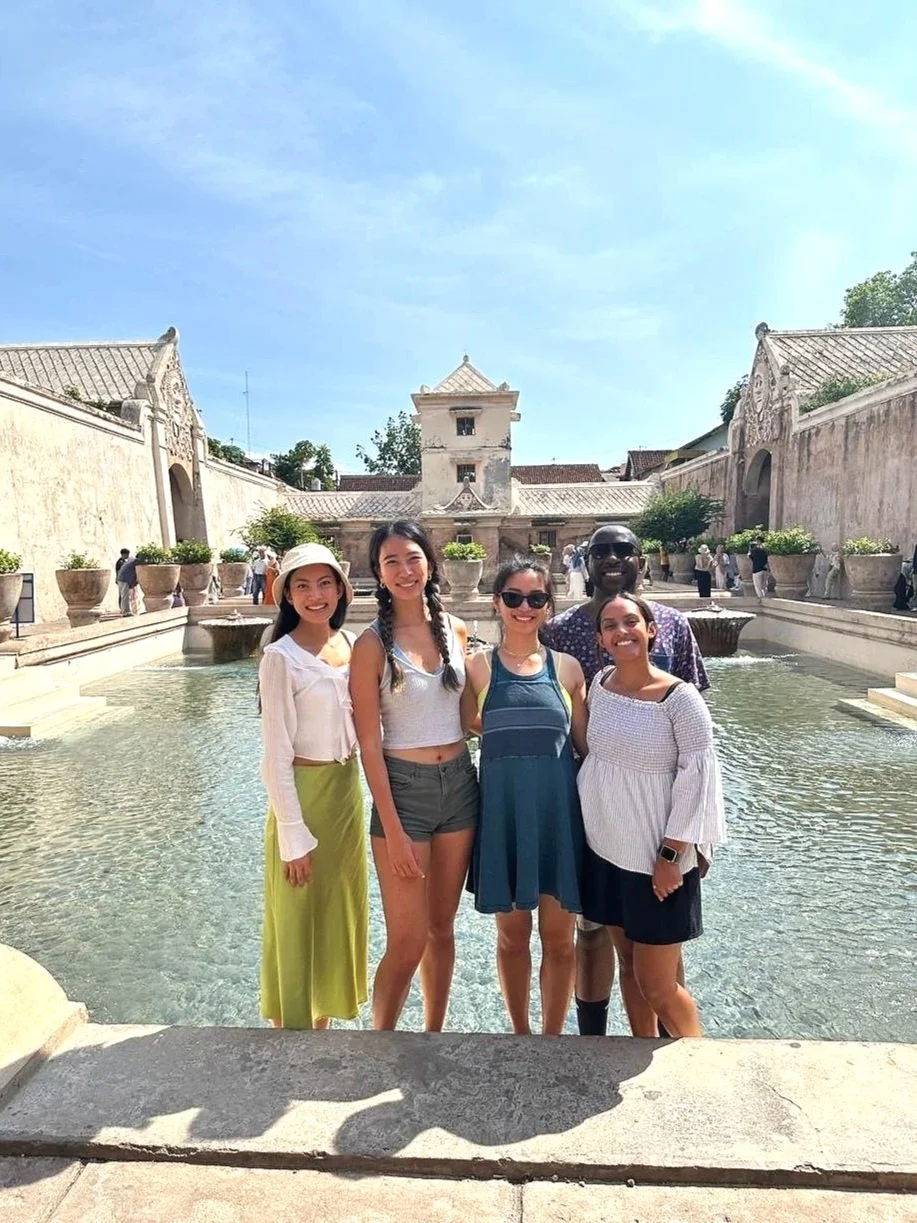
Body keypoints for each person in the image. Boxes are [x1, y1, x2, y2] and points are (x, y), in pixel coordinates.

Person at [540, 523, 708, 1038]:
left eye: (623, 551)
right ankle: (599, 1038)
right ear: (586, 563)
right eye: (601, 552)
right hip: (597, 822)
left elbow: (697, 747)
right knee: (597, 936)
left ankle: (672, 1044)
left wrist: (689, 839)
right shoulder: (561, 630)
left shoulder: (676, 625)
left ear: (641, 559)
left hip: (657, 822)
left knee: (659, 953)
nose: (612, 560)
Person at [577, 592, 726, 1037]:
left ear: (651, 629)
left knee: (659, 984)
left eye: (630, 622)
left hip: (657, 861)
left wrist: (669, 857)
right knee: (629, 968)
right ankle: (642, 1053)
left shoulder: (680, 699)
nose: (621, 632)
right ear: (601, 638)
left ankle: (701, 1063)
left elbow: (698, 783)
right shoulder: (600, 685)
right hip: (605, 851)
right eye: (610, 625)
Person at [350, 520, 479, 1032]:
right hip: (404, 792)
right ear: (378, 575)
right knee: (407, 941)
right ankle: (382, 1040)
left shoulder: (456, 629)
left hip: (461, 787)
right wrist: (393, 829)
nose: (405, 571)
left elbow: (469, 716)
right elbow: (368, 742)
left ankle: (432, 1035)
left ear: (430, 562)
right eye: (391, 562)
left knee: (442, 930)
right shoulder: (371, 644)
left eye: (413, 558)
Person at [465, 558, 587, 1035]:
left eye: (535, 599)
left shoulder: (568, 669)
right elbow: (464, 728)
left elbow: (586, 747)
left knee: (560, 941)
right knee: (512, 939)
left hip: (559, 821)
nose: (524, 607)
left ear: (548, 605)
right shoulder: (478, 669)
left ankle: (552, 1036)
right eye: (513, 597)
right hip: (505, 820)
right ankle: (520, 1034)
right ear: (497, 604)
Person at [259, 542, 367, 1030]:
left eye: (324, 583)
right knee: (297, 914)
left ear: (341, 589)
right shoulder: (279, 658)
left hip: (346, 795)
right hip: (303, 797)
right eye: (302, 585)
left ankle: (322, 1023)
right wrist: (292, 833)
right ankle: (291, 1031)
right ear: (287, 596)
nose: (315, 595)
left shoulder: (351, 645)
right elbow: (275, 754)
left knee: (335, 909)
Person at [116, 550, 136, 617]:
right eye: (127, 554)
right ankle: (124, 611)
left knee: (123, 595)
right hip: (122, 580)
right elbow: (119, 571)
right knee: (123, 595)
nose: (127, 556)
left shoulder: (124, 561)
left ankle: (123, 610)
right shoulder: (120, 562)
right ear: (123, 554)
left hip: (120, 579)